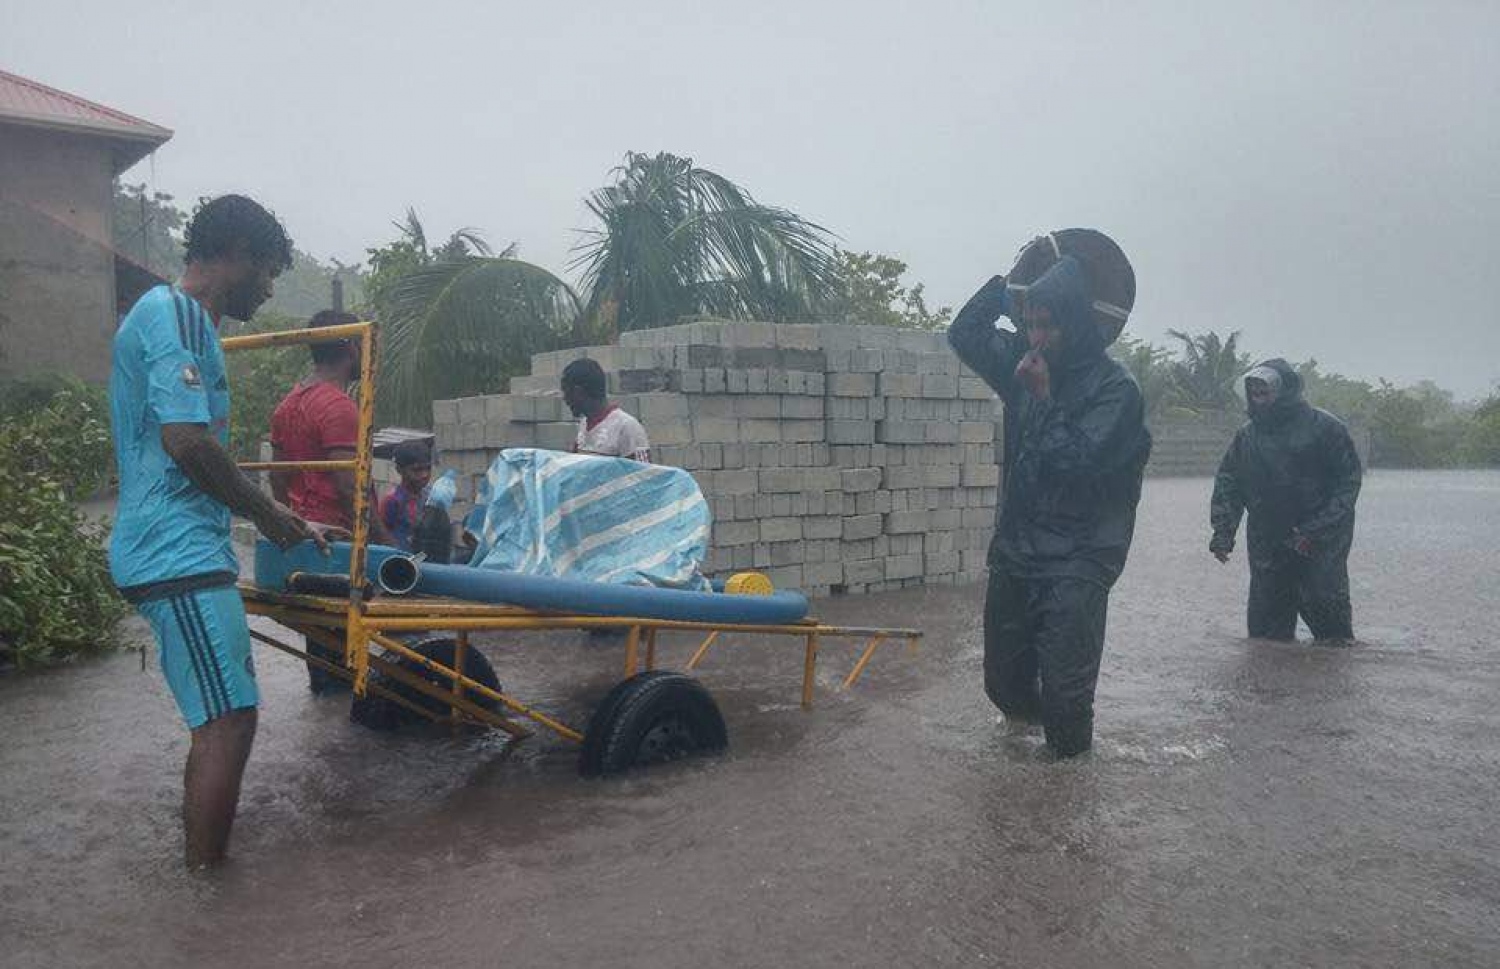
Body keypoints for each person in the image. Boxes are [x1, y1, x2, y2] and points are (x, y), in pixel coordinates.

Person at [108, 194, 332, 869]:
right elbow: (186, 441)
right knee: (228, 719)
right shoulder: (173, 314)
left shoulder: (193, 325)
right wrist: (268, 513)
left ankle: (206, 886)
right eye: (267, 272)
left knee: (230, 714)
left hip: (186, 547)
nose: (268, 289)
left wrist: (270, 513)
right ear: (236, 253)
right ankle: (207, 896)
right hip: (169, 549)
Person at [948, 241, 1151, 758]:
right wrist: (1009, 284)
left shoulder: (1116, 389)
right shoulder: (1026, 362)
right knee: (1003, 686)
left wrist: (1042, 397)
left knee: (1065, 697)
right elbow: (965, 334)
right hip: (1019, 548)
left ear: (1077, 322)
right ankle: (1026, 773)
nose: (1035, 337)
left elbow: (1082, 460)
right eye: (1030, 323)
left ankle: (1068, 794)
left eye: (1047, 325)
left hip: (1082, 554)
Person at [270, 310, 386, 692]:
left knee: (322, 656)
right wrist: (385, 543)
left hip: (305, 540)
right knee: (348, 660)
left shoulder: (288, 404)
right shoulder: (339, 406)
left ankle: (327, 730)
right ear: (353, 348)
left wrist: (289, 525)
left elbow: (277, 478)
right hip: (337, 544)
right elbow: (349, 486)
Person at [1209, 360, 1362, 641]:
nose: (1258, 398)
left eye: (1264, 391)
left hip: (1319, 540)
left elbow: (1347, 484)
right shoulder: (1247, 436)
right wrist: (1223, 532)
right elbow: (1229, 484)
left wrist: (1315, 530)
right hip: (1267, 540)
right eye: (1253, 391)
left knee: (1330, 623)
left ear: (1285, 391)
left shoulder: (1326, 429)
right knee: (1266, 635)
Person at [560, 358, 651, 462]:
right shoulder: (584, 424)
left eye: (566, 392)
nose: (565, 399)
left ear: (578, 392)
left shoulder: (627, 427)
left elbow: (644, 474)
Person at [378, 440, 434, 552]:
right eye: (417, 470)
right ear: (399, 470)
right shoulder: (393, 501)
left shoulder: (430, 498)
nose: (424, 475)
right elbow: (381, 534)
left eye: (428, 468)